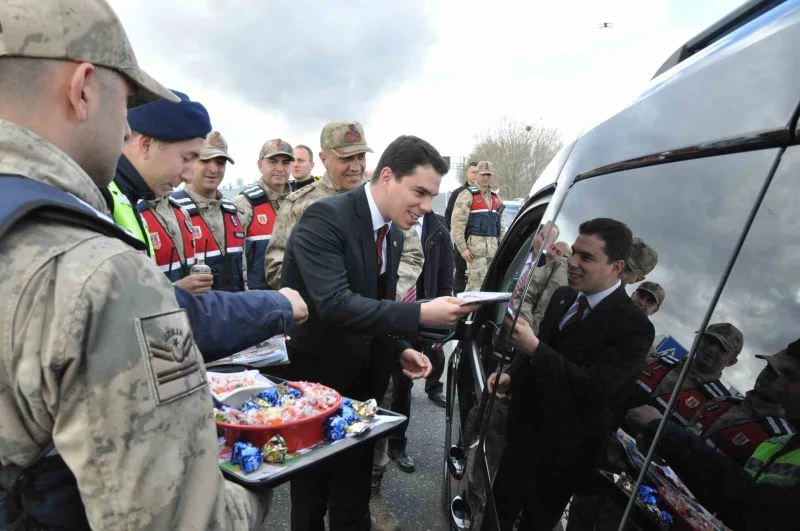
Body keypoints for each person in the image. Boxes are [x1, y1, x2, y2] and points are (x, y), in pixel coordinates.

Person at [0, 0, 272, 528]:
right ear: (82, 89)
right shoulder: (93, 273)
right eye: (125, 101)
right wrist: (258, 484)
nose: (126, 125)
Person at [281, 134, 479, 530]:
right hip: (318, 390)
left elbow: (376, 304)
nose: (426, 208)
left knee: (353, 501)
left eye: (431, 196)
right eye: (419, 193)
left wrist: (401, 347)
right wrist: (420, 313)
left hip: (363, 389)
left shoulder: (393, 233)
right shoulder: (325, 218)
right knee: (311, 501)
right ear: (387, 176)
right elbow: (335, 304)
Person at [489, 218, 655, 530]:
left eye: (587, 258)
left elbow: (596, 387)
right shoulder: (563, 296)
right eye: (574, 253)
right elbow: (543, 353)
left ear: (617, 268)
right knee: (496, 515)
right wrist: (514, 375)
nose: (573, 263)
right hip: (522, 438)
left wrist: (536, 349)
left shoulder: (635, 327)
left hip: (563, 459)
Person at [626, 340, 800, 530]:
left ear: (731, 360)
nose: (776, 384)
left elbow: (752, 501)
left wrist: (666, 433)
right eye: (771, 370)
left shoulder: (775, 432)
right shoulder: (774, 441)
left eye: (791, 377)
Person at [108, 89, 214, 293]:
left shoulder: (126, 197)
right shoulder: (99, 197)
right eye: (186, 158)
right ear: (147, 145)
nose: (189, 176)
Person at [264, 121, 372, 289]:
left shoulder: (378, 197)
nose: (356, 167)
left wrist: (389, 291)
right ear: (324, 159)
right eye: (346, 158)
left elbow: (412, 254)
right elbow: (276, 269)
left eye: (361, 156)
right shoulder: (298, 205)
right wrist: (324, 291)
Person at [172, 130, 245, 291]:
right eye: (205, 160)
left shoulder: (232, 212)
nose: (213, 169)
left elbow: (243, 274)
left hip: (234, 311)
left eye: (220, 162)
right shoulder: (172, 211)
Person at [232, 138, 294, 290]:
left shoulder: (297, 203)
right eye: (273, 161)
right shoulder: (245, 203)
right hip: (258, 298)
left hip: (293, 294)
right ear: (260, 165)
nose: (280, 168)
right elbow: (236, 259)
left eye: (285, 163)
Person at [451, 160, 503, 292]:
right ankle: (470, 313)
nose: (486, 178)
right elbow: (457, 224)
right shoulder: (467, 195)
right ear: (477, 175)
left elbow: (500, 225)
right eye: (483, 174)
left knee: (490, 288)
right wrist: (463, 249)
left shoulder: (495, 198)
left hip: (493, 251)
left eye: (488, 175)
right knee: (475, 289)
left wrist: (501, 246)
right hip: (475, 253)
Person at [446, 161, 478, 294]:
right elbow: (449, 216)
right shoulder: (458, 193)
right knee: (460, 272)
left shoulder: (485, 195)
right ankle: (458, 301)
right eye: (473, 172)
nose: (476, 175)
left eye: (478, 172)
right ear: (467, 173)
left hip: (479, 243)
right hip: (462, 241)